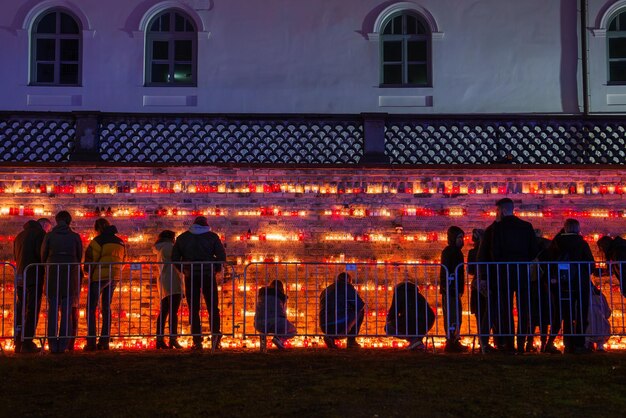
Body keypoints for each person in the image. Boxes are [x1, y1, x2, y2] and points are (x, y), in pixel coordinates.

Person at [477, 198, 538, 353]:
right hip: (522, 273)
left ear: (502, 211)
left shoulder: (494, 229)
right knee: (524, 309)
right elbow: (533, 252)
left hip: (501, 275)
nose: (495, 214)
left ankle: (509, 343)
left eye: (496, 211)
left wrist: (483, 276)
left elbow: (484, 254)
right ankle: (522, 342)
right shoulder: (526, 227)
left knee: (506, 310)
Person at [172, 216, 226, 351]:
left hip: (191, 276)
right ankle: (215, 336)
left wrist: (184, 269)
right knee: (213, 307)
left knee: (193, 309)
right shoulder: (212, 237)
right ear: (206, 225)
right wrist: (216, 268)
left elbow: (174, 258)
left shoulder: (182, 238)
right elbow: (221, 256)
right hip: (208, 275)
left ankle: (197, 340)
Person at [542, 219, 594, 354]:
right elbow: (591, 264)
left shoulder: (556, 243)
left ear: (565, 228)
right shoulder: (582, 244)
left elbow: (548, 261)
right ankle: (579, 344)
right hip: (580, 282)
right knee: (581, 312)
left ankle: (565, 343)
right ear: (577, 229)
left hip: (560, 283)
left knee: (564, 313)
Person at [40, 211, 82, 354]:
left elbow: (43, 255)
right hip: (70, 277)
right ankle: (63, 344)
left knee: (52, 310)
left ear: (57, 221)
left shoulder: (49, 236)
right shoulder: (75, 237)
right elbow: (79, 256)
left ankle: (52, 344)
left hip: (53, 276)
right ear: (69, 221)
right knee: (66, 311)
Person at [84, 218, 126, 351]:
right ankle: (104, 341)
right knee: (106, 308)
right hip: (114, 277)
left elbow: (91, 259)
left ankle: (91, 342)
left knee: (91, 308)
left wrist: (87, 272)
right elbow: (124, 260)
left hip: (99, 277)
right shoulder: (120, 242)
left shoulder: (98, 241)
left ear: (97, 229)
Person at [13, 218, 51, 353]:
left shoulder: (20, 235)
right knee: (32, 309)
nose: (47, 231)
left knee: (21, 309)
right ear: (43, 225)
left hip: (20, 276)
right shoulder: (39, 234)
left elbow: (15, 256)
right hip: (33, 276)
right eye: (48, 228)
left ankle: (18, 341)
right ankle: (27, 342)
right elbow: (40, 255)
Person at [440, 226, 468, 353]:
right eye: (459, 238)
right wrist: (449, 286)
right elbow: (448, 270)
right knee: (452, 315)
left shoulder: (455, 252)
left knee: (456, 315)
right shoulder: (450, 252)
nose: (462, 241)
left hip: (454, 289)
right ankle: (452, 341)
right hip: (451, 289)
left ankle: (454, 339)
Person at [154, 230, 184, 349]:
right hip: (173, 280)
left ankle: (160, 339)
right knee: (173, 312)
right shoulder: (170, 247)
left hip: (165, 281)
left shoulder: (161, 248)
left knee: (164, 311)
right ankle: (172, 338)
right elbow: (179, 261)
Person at [468, 228, 496, 353]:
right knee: (487, 313)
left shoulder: (473, 252)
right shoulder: (489, 251)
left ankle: (483, 342)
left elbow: (470, 270)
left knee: (481, 314)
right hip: (486, 284)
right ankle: (486, 342)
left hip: (478, 285)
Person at [385, 280, 435, 351]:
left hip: (412, 319)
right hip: (429, 319)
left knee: (388, 328)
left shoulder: (399, 293)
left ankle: (414, 340)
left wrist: (390, 321)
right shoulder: (417, 295)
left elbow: (394, 310)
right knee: (416, 327)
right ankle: (417, 342)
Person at [319, 272, 365, 349]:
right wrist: (350, 325)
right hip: (339, 323)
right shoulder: (347, 287)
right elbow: (359, 305)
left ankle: (330, 337)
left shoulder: (326, 290)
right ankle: (351, 340)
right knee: (360, 311)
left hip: (324, 325)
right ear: (349, 280)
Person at [254, 280, 296, 350]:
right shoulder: (281, 297)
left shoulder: (261, 294)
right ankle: (279, 338)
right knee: (292, 330)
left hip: (258, 324)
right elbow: (282, 314)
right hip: (275, 322)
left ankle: (263, 343)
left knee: (265, 324)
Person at [585, 285, 611, 352]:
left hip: (588, 322)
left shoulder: (584, 296)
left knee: (588, 329)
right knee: (603, 327)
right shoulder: (601, 296)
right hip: (601, 322)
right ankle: (600, 346)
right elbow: (607, 311)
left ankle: (588, 344)